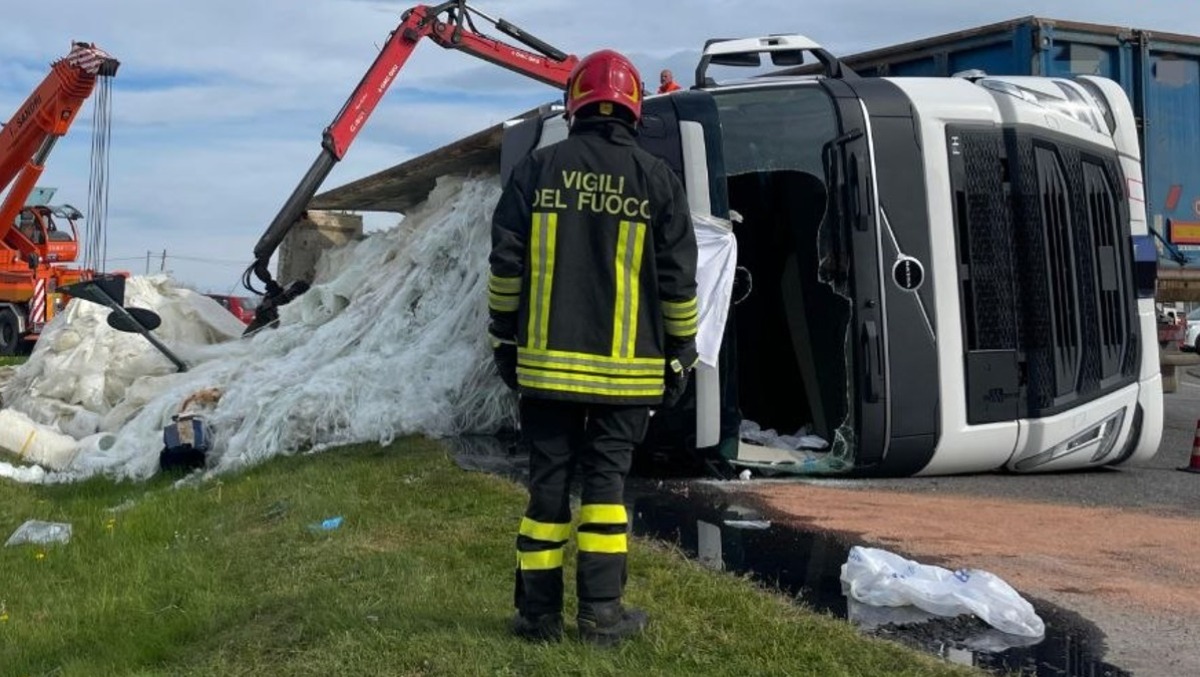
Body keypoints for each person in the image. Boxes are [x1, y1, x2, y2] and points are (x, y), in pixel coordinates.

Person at [488, 48, 699, 645]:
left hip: (547, 368)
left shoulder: (536, 169)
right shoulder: (658, 179)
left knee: (546, 487)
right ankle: (602, 615)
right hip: (627, 375)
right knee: (606, 489)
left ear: (573, 105)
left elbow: (506, 268)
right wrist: (681, 351)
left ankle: (537, 617)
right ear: (634, 109)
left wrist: (504, 337)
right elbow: (679, 282)